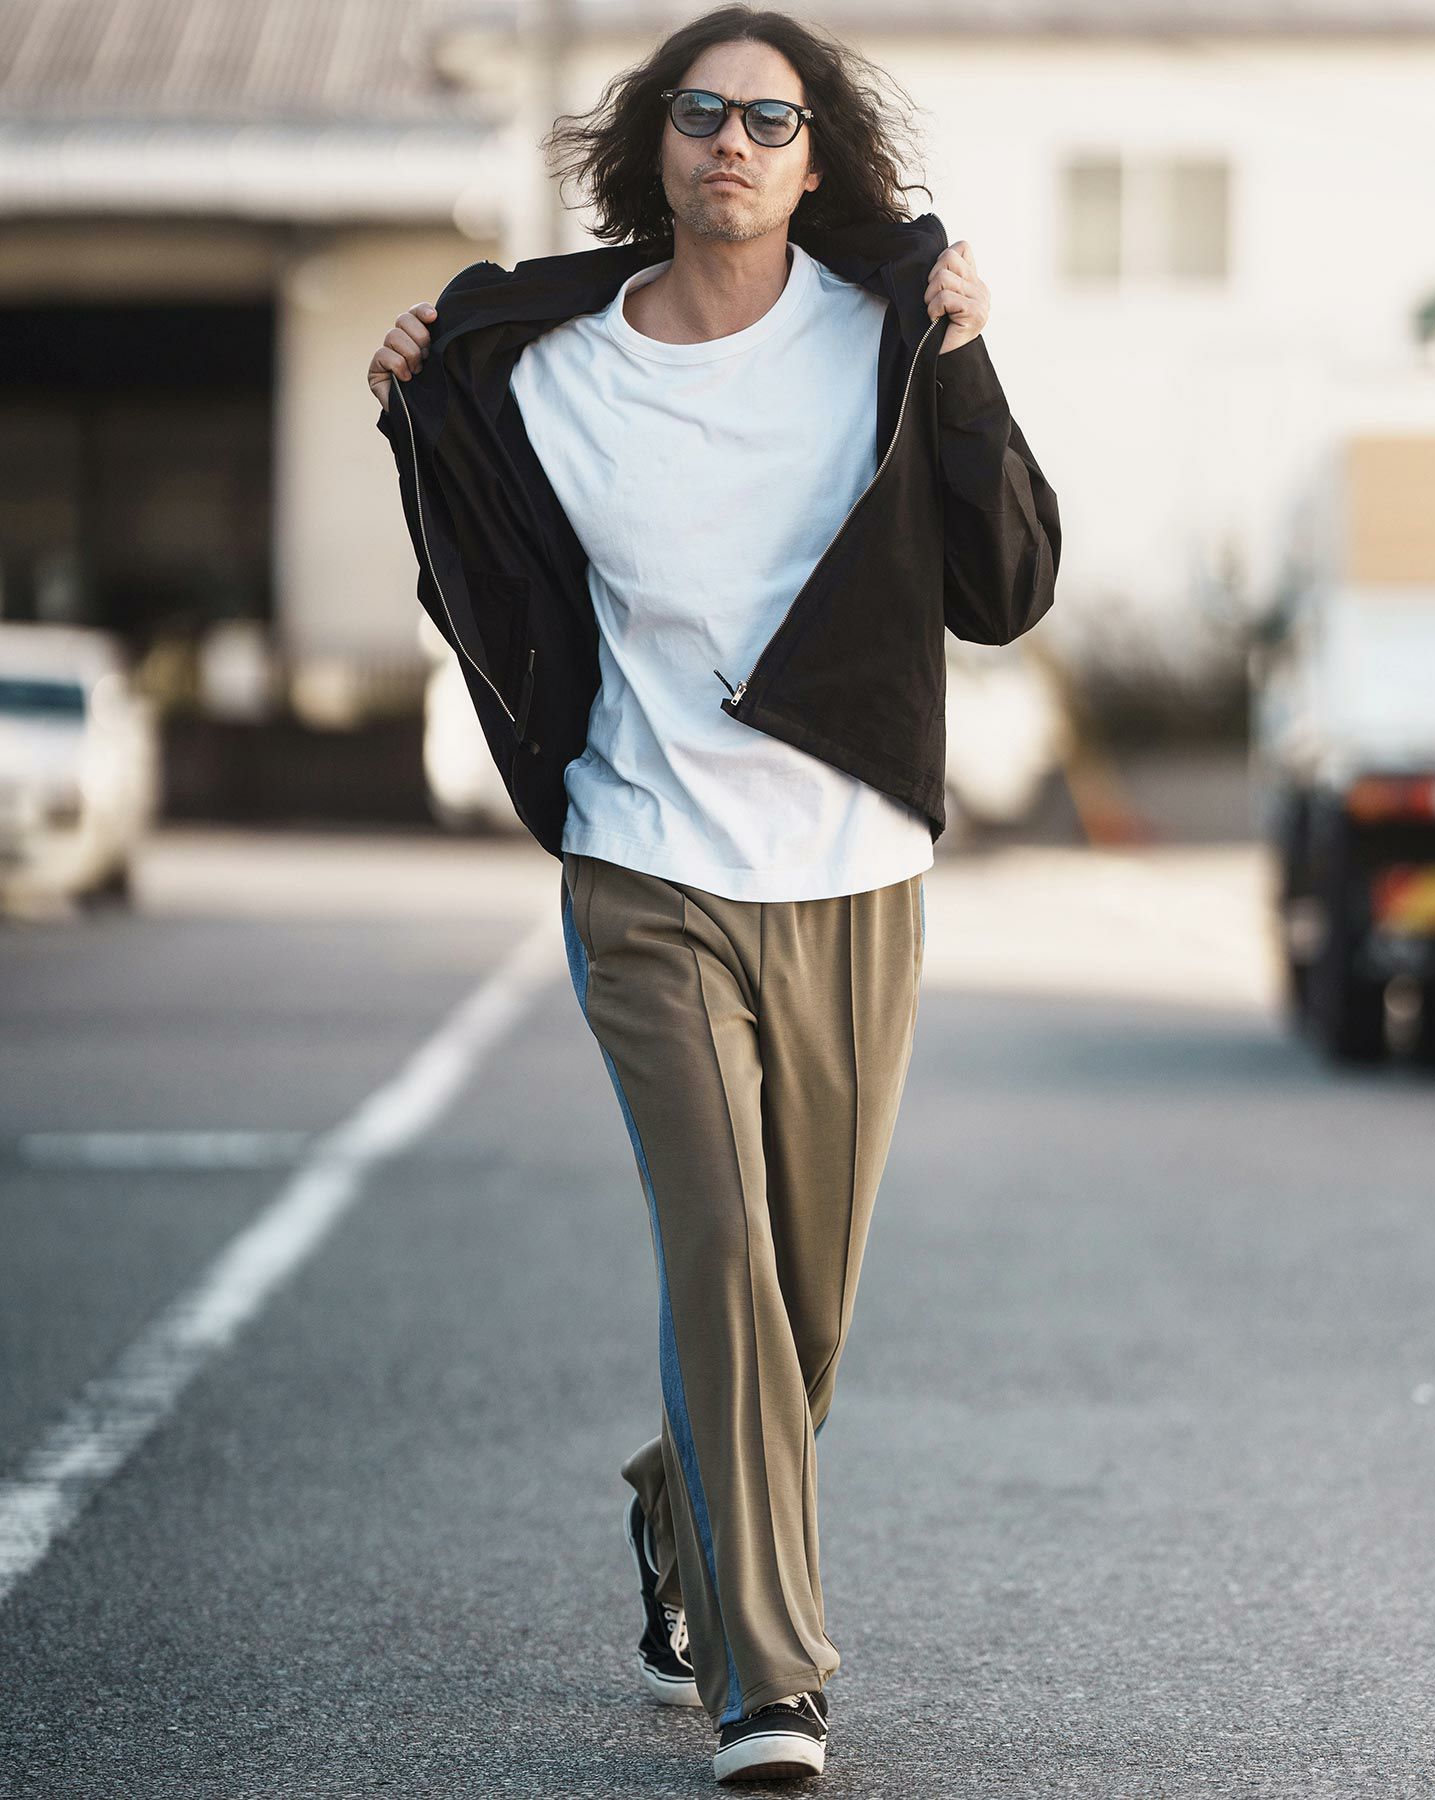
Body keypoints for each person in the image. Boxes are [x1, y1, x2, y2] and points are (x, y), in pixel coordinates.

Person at [367, 7, 1060, 1782]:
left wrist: (970, 363)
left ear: (819, 161)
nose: (731, 143)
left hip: (852, 872)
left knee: (806, 1310)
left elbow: (1007, 589)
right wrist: (413, 401)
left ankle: (679, 1507)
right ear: (653, 149)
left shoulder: (889, 335)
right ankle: (773, 1678)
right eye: (700, 113)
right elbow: (477, 562)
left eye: (769, 119)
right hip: (647, 866)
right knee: (724, 1257)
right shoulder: (546, 362)